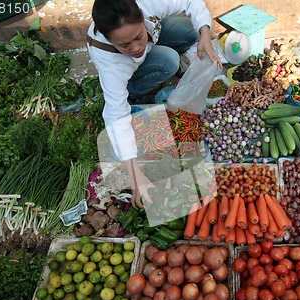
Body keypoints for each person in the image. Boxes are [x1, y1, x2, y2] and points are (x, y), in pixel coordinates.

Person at [87, 0, 221, 208]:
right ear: (109, 39)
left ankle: (155, 46)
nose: (136, 47)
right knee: (169, 61)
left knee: (191, 32)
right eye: (124, 45)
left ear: (141, 16)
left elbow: (190, 1)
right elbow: (116, 117)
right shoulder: (111, 64)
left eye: (138, 36)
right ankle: (136, 88)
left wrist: (204, 33)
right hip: (124, 68)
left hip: (151, 34)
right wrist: (135, 173)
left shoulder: (144, 3)